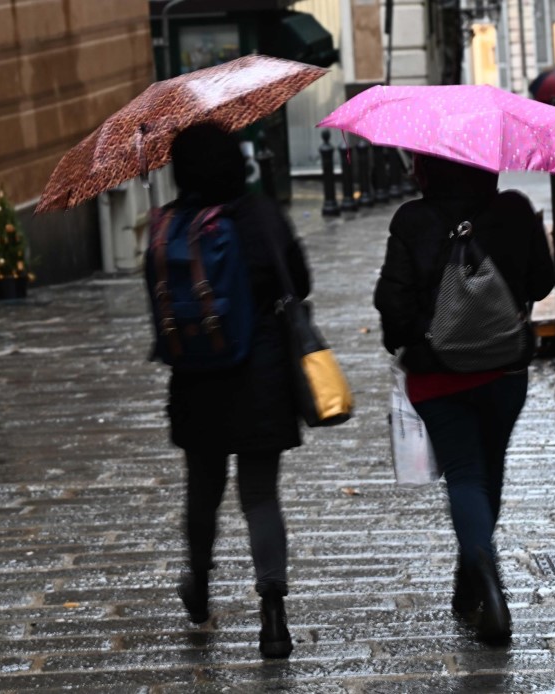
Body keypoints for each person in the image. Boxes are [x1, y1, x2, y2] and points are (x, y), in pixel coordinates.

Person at [373, 154, 554, 645]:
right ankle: (474, 575)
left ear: (427, 169)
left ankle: (482, 574)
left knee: (465, 473)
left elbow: (392, 300)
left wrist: (409, 339)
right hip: (504, 368)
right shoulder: (514, 209)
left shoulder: (412, 219)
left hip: (437, 373)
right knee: (488, 469)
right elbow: (542, 283)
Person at [160, 122, 311, 659]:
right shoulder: (260, 214)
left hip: (197, 382)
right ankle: (273, 612)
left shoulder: (171, 225)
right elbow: (300, 282)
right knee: (260, 495)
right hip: (261, 378)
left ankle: (198, 585)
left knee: (202, 491)